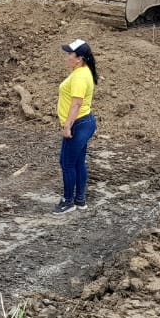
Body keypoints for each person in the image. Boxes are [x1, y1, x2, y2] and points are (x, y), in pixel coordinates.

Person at [53, 38, 98, 215]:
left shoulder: (80, 76)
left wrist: (67, 126)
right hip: (84, 123)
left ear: (79, 58)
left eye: (70, 54)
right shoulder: (81, 71)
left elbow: (76, 104)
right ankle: (80, 200)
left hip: (78, 124)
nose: (67, 57)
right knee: (78, 162)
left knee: (67, 163)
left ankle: (68, 201)